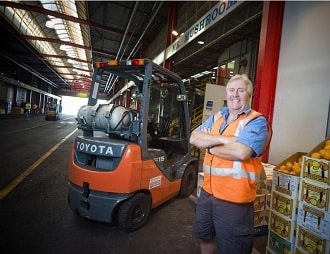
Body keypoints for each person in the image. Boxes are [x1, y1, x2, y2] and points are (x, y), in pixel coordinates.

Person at [190, 74, 272, 254]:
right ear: (226, 93)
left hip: (234, 201)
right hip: (207, 193)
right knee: (206, 237)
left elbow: (241, 152)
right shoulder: (219, 116)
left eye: (241, 90)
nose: (235, 94)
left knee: (233, 249)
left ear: (249, 95)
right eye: (232, 90)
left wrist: (210, 147)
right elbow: (194, 137)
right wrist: (226, 140)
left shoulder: (256, 121)